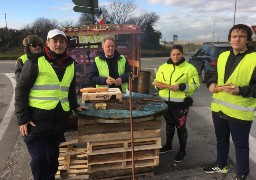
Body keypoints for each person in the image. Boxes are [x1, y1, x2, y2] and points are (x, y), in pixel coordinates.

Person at [15, 29, 86, 180]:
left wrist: (74, 105)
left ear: (66, 44)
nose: (58, 44)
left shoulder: (71, 64)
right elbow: (21, 90)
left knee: (53, 159)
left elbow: (69, 89)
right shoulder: (35, 61)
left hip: (58, 121)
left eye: (62, 41)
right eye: (55, 41)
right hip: (36, 121)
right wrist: (22, 118)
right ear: (47, 43)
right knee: (39, 160)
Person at [203, 24, 256, 180]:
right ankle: (221, 164)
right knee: (221, 139)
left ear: (248, 40)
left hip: (240, 111)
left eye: (241, 36)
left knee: (240, 145)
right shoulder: (223, 56)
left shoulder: (254, 59)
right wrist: (211, 84)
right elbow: (214, 76)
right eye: (234, 36)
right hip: (219, 107)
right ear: (229, 39)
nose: (237, 39)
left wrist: (240, 90)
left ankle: (242, 174)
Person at [154, 45, 200, 162]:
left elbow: (195, 86)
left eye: (178, 54)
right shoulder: (163, 67)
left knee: (181, 128)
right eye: (173, 54)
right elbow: (156, 82)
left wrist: (180, 86)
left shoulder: (190, 68)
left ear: (182, 55)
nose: (176, 56)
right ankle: (168, 146)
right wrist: (157, 85)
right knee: (169, 125)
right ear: (170, 55)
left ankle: (182, 151)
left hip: (181, 104)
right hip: (166, 103)